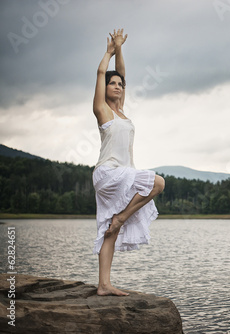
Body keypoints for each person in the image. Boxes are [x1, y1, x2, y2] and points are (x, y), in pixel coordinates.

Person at [92, 28, 165, 296]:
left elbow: (122, 74)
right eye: (114, 84)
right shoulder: (103, 111)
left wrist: (120, 48)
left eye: (121, 85)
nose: (118, 87)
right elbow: (103, 74)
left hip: (121, 173)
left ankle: (104, 285)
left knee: (108, 230)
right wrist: (109, 53)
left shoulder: (121, 110)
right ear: (105, 89)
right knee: (157, 183)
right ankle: (121, 218)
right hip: (108, 173)